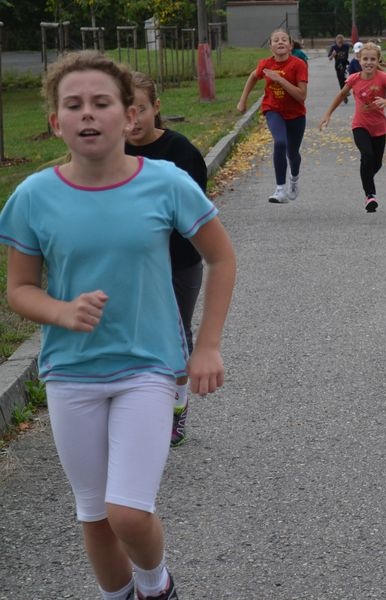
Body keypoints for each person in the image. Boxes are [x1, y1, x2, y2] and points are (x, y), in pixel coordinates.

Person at [0, 50, 236, 600]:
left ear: (129, 116)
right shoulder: (34, 196)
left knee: (127, 511)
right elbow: (20, 289)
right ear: (55, 122)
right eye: (73, 105)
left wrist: (207, 346)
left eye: (101, 102)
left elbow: (221, 258)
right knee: (95, 515)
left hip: (147, 366)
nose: (87, 113)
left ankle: (156, 585)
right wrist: (61, 311)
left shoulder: (166, 182)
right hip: (70, 372)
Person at [125, 72, 208, 448]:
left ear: (156, 107)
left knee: (173, 336)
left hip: (178, 261)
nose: (133, 120)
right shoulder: (110, 151)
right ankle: (138, 408)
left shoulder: (180, 151)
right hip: (128, 265)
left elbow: (196, 211)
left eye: (140, 109)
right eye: (125, 110)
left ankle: (177, 405)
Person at [319, 42, 386, 213]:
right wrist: (328, 114)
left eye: (373, 59)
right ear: (359, 59)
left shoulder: (384, 78)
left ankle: (366, 179)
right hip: (360, 126)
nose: (369, 62)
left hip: (379, 127)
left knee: (376, 164)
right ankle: (370, 195)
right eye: (365, 59)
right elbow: (341, 95)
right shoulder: (354, 79)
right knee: (367, 156)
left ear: (378, 60)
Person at [236, 28, 308, 204]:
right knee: (280, 142)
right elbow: (253, 76)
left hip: (296, 114)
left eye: (284, 39)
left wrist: (280, 79)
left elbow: (301, 96)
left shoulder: (298, 64)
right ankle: (280, 190)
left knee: (293, 154)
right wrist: (243, 100)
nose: (280, 42)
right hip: (273, 109)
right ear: (270, 46)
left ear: (290, 45)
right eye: (276, 40)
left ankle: (294, 179)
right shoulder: (266, 64)